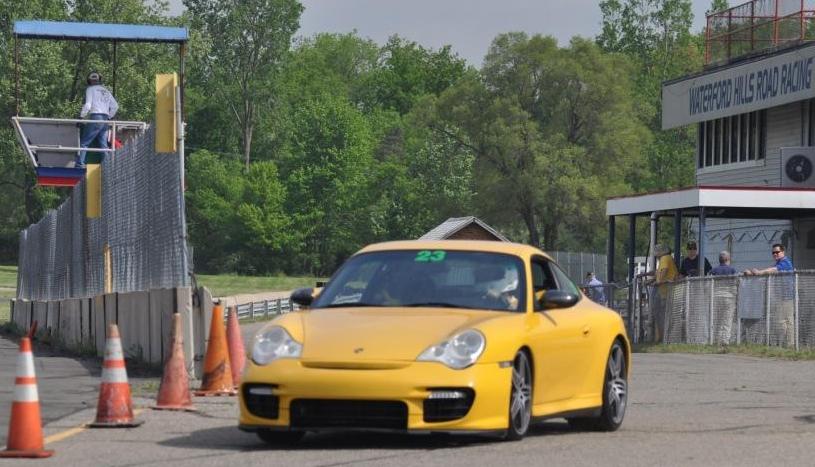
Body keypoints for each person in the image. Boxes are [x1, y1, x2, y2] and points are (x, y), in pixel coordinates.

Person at [744, 243, 794, 346]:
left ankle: (789, 345)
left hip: (787, 297)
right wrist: (753, 273)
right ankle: (786, 344)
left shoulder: (785, 262)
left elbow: (773, 270)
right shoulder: (778, 263)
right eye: (773, 253)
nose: (775, 254)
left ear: (783, 252)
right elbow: (770, 270)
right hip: (781, 297)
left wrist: (760, 272)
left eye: (777, 252)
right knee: (782, 321)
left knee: (785, 321)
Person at [75, 71, 119, 168]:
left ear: (89, 81)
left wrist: (81, 117)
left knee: (85, 142)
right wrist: (109, 117)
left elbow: (88, 105)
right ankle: (108, 166)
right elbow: (115, 106)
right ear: (99, 80)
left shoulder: (90, 89)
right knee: (103, 144)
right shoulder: (106, 91)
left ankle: (80, 164)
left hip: (96, 117)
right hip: (105, 119)